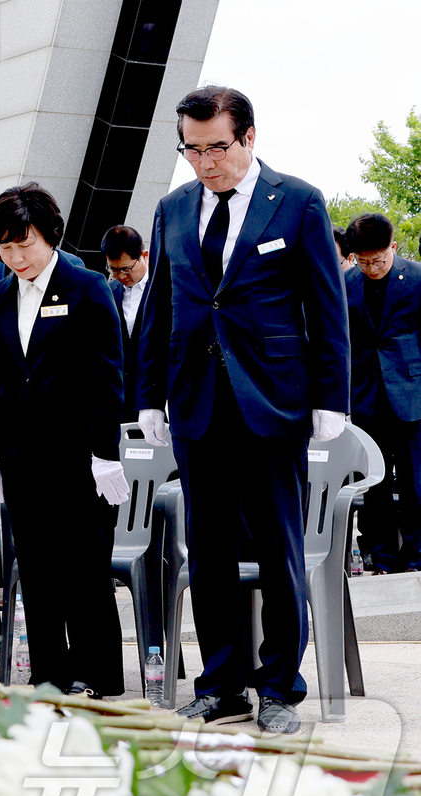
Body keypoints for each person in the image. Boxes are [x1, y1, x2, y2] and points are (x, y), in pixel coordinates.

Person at [138, 86, 349, 734]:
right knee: (207, 553)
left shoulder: (299, 202)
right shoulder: (172, 209)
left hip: (273, 402)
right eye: (192, 149)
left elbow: (326, 307)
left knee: (281, 549)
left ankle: (280, 686)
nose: (206, 162)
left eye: (217, 147)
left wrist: (330, 400)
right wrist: (148, 395)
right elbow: (160, 311)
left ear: (249, 138)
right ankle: (221, 683)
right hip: (198, 402)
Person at [0, 186, 128, 697]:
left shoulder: (85, 288)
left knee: (84, 571)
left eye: (26, 244)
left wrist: (104, 453)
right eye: (5, 248)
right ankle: (48, 678)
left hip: (79, 457)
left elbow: (108, 379)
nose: (16, 257)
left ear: (51, 235)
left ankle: (99, 676)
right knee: (36, 573)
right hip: (21, 460)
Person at [345, 212, 421, 574]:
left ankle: (417, 557)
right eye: (363, 261)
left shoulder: (418, 278)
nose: (371, 268)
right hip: (365, 395)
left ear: (393, 247)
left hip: (412, 395)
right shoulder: (345, 284)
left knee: (415, 483)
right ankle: (383, 559)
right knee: (373, 485)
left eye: (378, 260)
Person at [101, 225, 150, 423]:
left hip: (153, 394)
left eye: (127, 269)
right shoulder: (108, 290)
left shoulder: (165, 289)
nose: (121, 276)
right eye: (113, 270)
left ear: (144, 256)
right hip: (116, 394)